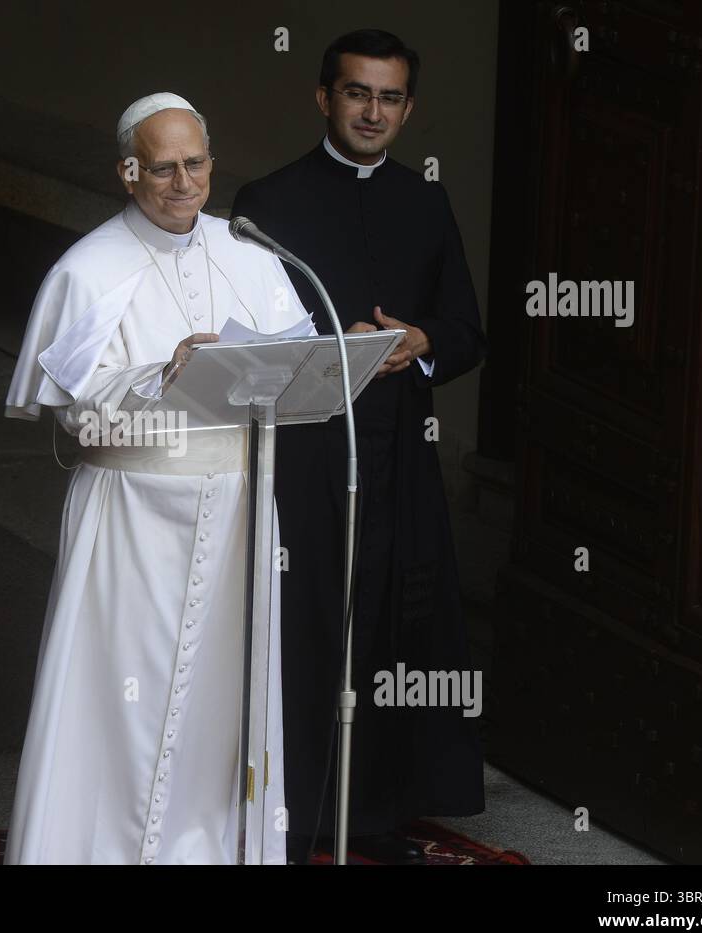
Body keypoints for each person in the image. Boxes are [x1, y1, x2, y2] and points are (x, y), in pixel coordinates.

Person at [4, 93, 309, 864]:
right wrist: (159, 373)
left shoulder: (253, 254)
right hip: (131, 520)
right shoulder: (89, 269)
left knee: (221, 712)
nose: (183, 183)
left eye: (196, 163)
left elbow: (299, 366)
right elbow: (74, 417)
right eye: (163, 167)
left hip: (239, 514)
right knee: (115, 707)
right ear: (128, 172)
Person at [232, 29, 486, 864]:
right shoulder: (265, 205)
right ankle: (290, 807)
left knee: (389, 628)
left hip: (399, 455)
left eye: (389, 98)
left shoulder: (426, 202)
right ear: (323, 97)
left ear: (407, 110)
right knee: (303, 623)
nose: (372, 112)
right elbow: (241, 340)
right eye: (355, 93)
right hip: (305, 457)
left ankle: (375, 813)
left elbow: (466, 330)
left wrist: (419, 341)